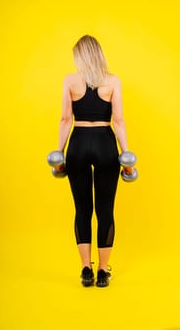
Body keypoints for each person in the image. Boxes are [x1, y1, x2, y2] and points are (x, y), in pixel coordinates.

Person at [57, 35, 130, 287]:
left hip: (78, 143)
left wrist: (59, 151)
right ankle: (102, 272)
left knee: (82, 210)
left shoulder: (70, 81)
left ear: (79, 56)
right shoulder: (112, 81)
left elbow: (66, 119)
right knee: (105, 209)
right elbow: (118, 120)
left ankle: (85, 270)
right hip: (104, 143)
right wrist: (127, 154)